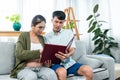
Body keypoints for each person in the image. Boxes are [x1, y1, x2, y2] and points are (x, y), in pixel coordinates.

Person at [45, 11, 94, 80]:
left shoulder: (69, 33)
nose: (58, 24)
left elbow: (72, 49)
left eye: (61, 22)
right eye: (56, 22)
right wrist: (47, 64)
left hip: (69, 63)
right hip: (55, 64)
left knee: (88, 70)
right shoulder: (46, 37)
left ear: (64, 22)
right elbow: (46, 54)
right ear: (52, 20)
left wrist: (68, 55)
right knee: (62, 72)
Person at [10, 15, 58, 80]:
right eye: (40, 27)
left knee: (52, 74)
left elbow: (44, 55)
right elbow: (19, 53)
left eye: (43, 27)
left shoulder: (42, 38)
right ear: (32, 26)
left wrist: (47, 63)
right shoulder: (23, 36)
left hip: (41, 68)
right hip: (25, 68)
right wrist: (38, 52)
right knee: (31, 77)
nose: (42, 30)